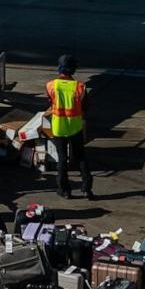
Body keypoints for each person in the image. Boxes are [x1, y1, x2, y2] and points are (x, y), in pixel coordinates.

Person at [46, 54, 94, 199]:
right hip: (75, 127)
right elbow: (85, 107)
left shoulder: (51, 85)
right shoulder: (80, 87)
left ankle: (64, 190)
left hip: (59, 127)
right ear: (73, 70)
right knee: (80, 157)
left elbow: (51, 101)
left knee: (62, 158)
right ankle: (86, 189)